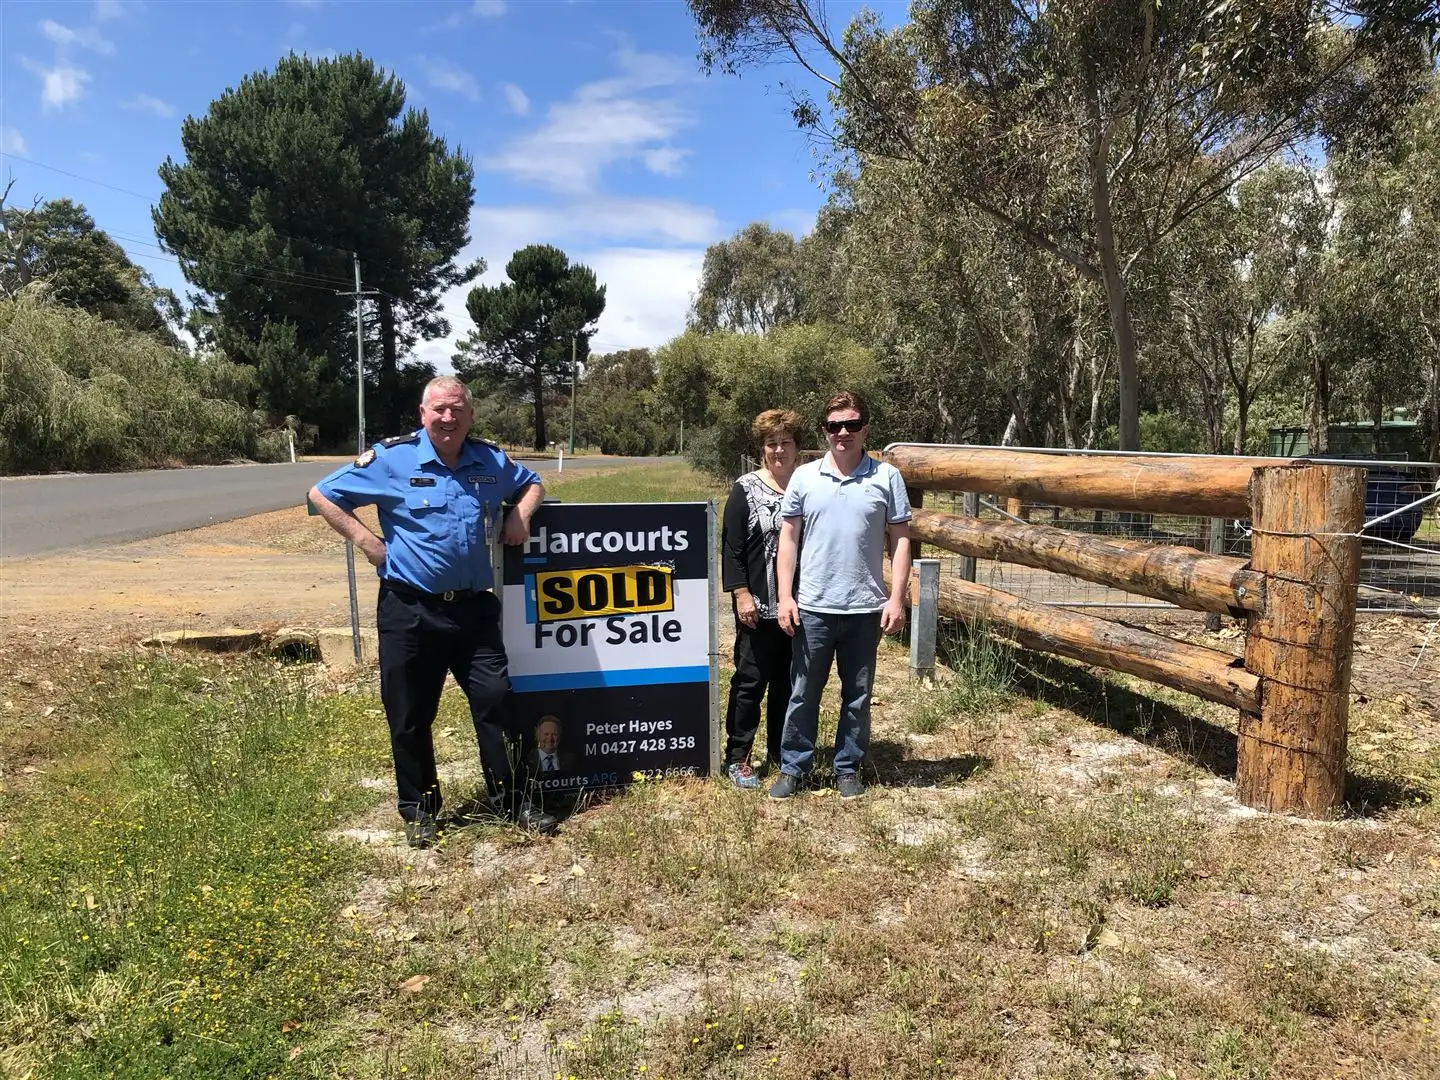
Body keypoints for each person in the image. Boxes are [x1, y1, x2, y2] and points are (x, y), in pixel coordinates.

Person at [307, 375, 558, 848]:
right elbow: (322, 494)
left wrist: (520, 513)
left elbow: (532, 483)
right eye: (439, 409)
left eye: (457, 409)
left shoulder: (489, 459)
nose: (448, 417)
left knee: (498, 702)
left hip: (474, 611)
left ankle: (515, 801)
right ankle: (420, 809)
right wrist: (367, 542)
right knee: (409, 714)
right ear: (423, 414)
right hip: (409, 609)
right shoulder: (391, 459)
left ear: (470, 415)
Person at [769, 391, 912, 801]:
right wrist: (785, 597)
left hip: (865, 608)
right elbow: (788, 539)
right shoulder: (805, 477)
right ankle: (794, 768)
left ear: (865, 428)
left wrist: (896, 597)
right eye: (835, 426)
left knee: (858, 696)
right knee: (803, 693)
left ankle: (847, 768)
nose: (843, 432)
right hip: (812, 607)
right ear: (825, 431)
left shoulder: (887, 478)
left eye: (851, 424)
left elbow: (901, 540)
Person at [720, 408, 804, 788]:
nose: (779, 450)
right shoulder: (746, 488)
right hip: (757, 607)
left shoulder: (808, 485)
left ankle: (780, 752)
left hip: (798, 607)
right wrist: (741, 594)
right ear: (761, 448)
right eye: (772, 443)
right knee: (750, 683)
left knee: (789, 683)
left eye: (786, 442)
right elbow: (732, 548)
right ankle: (737, 757)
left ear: (797, 447)